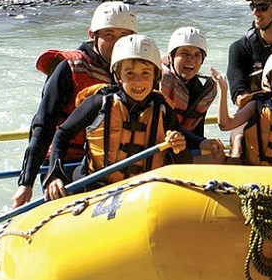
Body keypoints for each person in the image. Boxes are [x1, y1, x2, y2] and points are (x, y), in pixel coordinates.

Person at [11, 1, 137, 207]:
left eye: (124, 36)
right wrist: (27, 182)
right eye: (109, 35)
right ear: (92, 35)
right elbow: (43, 124)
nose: (116, 43)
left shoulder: (136, 72)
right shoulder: (68, 67)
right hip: (64, 161)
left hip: (108, 160)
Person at [43, 34, 189, 199]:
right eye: (130, 74)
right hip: (96, 186)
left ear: (156, 75)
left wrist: (180, 146)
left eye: (145, 73)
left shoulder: (163, 109)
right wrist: (54, 175)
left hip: (143, 190)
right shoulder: (98, 103)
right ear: (118, 76)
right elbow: (62, 134)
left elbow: (184, 159)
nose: (138, 81)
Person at [160, 26, 226, 161]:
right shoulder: (156, 82)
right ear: (171, 57)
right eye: (184, 53)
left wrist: (204, 144)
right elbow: (168, 124)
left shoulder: (199, 89)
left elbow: (196, 128)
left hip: (182, 148)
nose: (191, 60)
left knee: (217, 158)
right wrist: (200, 142)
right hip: (157, 146)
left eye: (197, 55)